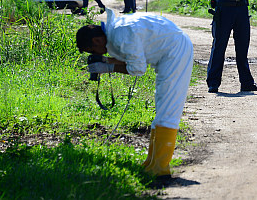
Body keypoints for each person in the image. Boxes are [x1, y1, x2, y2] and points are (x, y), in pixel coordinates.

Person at [76, 9, 193, 177]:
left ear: (97, 40)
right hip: (168, 54)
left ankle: (160, 170)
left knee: (168, 111)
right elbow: (131, 58)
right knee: (162, 109)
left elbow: (138, 68)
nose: (95, 54)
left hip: (176, 52)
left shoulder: (122, 35)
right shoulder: (117, 32)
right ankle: (151, 164)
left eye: (92, 51)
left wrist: (109, 67)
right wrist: (105, 61)